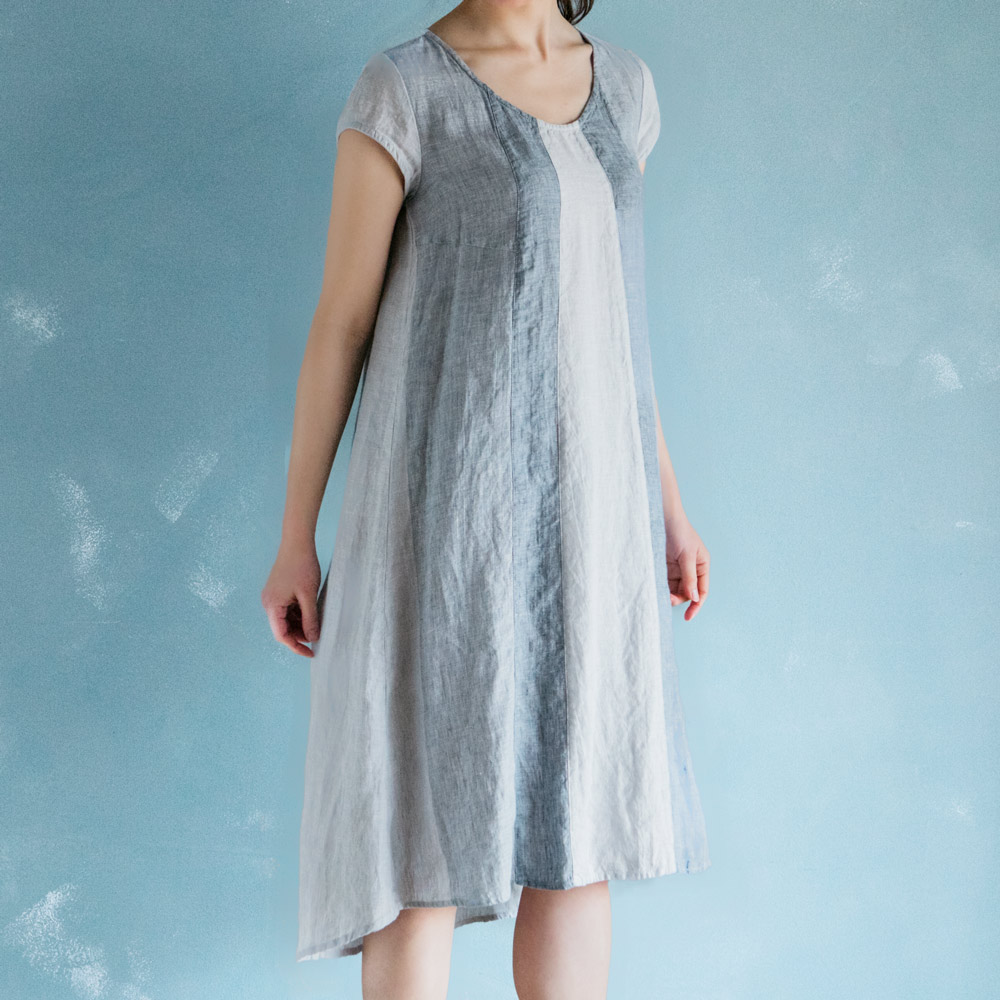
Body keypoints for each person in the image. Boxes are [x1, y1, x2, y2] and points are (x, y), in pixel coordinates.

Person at [261, 1, 712, 996]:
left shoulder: (625, 88)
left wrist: (668, 506)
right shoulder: (405, 89)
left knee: (574, 827)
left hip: (589, 516)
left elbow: (611, 320)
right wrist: (297, 535)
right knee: (421, 826)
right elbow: (341, 324)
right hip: (442, 515)